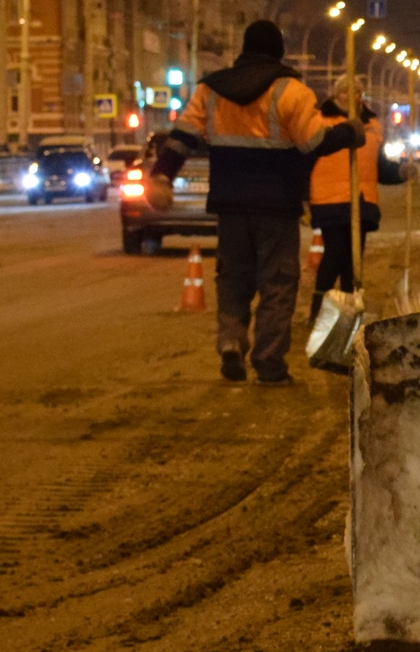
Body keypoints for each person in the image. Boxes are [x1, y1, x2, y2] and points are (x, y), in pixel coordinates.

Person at [154, 20, 360, 385]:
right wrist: (347, 132)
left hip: (230, 205)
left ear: (243, 50)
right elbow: (313, 143)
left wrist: (161, 176)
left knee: (232, 278)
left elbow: (182, 136)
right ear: (278, 51)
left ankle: (232, 340)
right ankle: (269, 363)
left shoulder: (210, 90)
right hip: (277, 207)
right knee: (277, 284)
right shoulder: (292, 92)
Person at [307, 96, 383, 317]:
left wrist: (400, 172)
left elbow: (379, 165)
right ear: (335, 95)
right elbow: (307, 160)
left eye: (357, 93)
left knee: (353, 259)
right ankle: (320, 310)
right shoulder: (321, 121)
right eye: (346, 93)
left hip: (363, 202)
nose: (352, 98)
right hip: (331, 201)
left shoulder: (373, 127)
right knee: (335, 254)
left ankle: (349, 311)